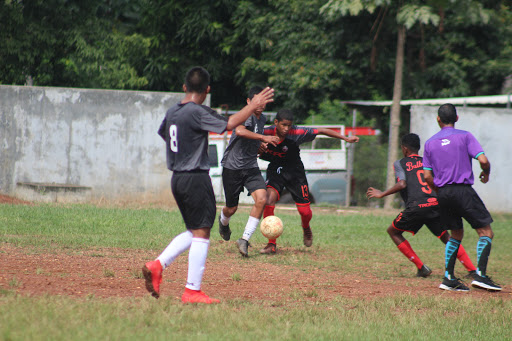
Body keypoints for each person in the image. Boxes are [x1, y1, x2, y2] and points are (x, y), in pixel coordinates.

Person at [142, 67, 274, 303]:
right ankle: (192, 290)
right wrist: (253, 106)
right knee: (202, 232)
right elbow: (231, 123)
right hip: (195, 176)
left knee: (196, 230)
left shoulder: (174, 111)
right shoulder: (196, 112)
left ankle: (158, 264)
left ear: (184, 87)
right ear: (208, 89)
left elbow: (165, 134)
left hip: (178, 178)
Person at [367, 133, 477, 278]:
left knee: (393, 232)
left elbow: (402, 183)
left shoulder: (400, 163)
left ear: (404, 148)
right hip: (435, 203)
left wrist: (382, 194)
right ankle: (472, 270)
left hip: (417, 206)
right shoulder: (429, 160)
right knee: (446, 236)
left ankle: (421, 267)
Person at [423, 103, 501, 292]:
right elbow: (483, 160)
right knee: (485, 232)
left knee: (456, 234)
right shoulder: (465, 136)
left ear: (438, 119)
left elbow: (426, 176)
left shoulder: (430, 143)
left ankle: (448, 278)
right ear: (457, 118)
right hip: (463, 191)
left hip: (443, 193)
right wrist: (486, 173)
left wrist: (439, 190)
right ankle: (480, 276)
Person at [258, 109, 359, 254]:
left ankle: (306, 227)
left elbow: (322, 130)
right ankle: (271, 244)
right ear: (276, 123)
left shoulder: (297, 133)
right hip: (276, 170)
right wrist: (258, 148)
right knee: (268, 200)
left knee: (305, 211)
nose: (287, 129)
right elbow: (248, 141)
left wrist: (345, 138)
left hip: (295, 172)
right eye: (283, 125)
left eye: (289, 125)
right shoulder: (264, 133)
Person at [218, 86, 280, 257]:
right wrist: (262, 138)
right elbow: (239, 130)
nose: (260, 104)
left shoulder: (263, 118)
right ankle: (223, 222)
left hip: (251, 167)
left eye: (263, 101)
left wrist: (259, 146)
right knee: (231, 208)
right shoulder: (246, 115)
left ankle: (244, 239)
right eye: (256, 100)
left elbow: (250, 137)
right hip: (232, 167)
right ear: (249, 102)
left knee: (262, 199)